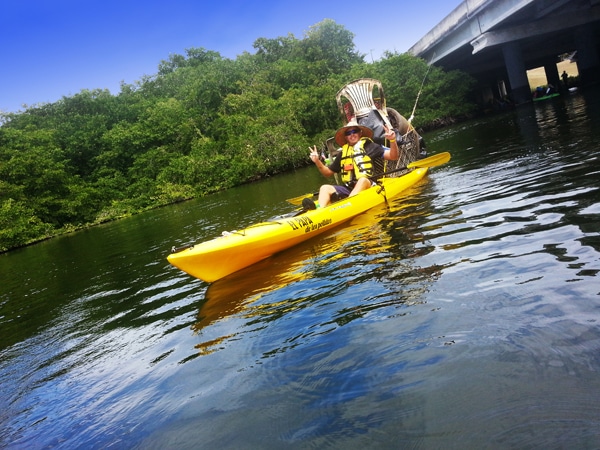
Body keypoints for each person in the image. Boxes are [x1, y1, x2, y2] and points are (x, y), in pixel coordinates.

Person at [303, 120, 399, 210]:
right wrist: (317, 161)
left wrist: (392, 140)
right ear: (345, 137)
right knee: (324, 188)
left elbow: (393, 156)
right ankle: (321, 212)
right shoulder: (343, 153)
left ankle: (346, 206)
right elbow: (327, 173)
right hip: (349, 188)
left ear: (360, 133)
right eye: (348, 133)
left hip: (369, 186)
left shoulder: (370, 146)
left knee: (362, 180)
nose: (352, 135)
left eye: (355, 131)